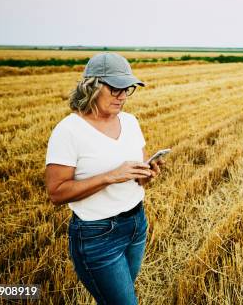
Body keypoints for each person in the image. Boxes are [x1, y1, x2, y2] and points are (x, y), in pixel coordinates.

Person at [45, 52, 164, 304]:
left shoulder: (130, 122)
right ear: (92, 86)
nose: (122, 95)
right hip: (97, 234)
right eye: (115, 88)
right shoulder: (69, 130)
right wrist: (109, 177)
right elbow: (56, 193)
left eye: (127, 88)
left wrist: (148, 173)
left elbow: (138, 177)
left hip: (136, 224)